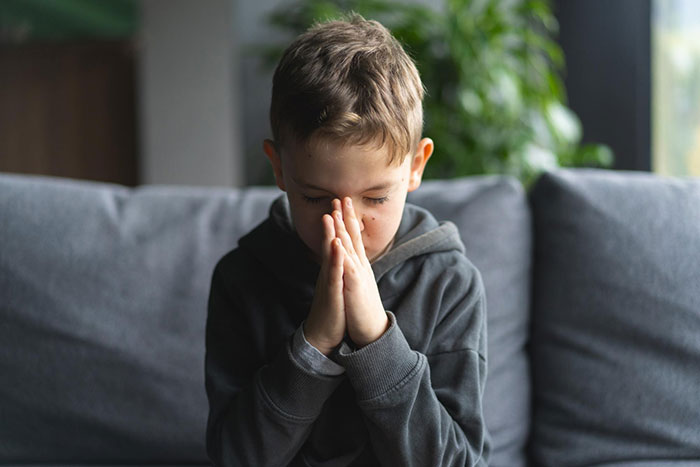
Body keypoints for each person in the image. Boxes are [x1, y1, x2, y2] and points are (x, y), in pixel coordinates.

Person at [205, 13, 489, 466]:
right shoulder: (242, 280)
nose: (347, 226)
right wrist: (313, 343)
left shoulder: (448, 284)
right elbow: (234, 457)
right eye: (317, 199)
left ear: (416, 166)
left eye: (375, 198)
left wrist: (377, 342)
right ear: (279, 168)